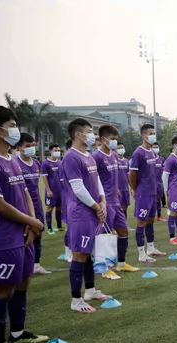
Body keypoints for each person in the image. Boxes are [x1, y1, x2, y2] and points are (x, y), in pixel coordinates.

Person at [0, 104, 48, 343]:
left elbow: (25, 194)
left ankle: (18, 333)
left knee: (22, 283)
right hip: (3, 238)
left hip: (24, 235)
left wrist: (32, 223)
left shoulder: (12, 159)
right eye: (11, 126)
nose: (16, 131)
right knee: (3, 290)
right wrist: (31, 221)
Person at [62, 118, 112, 313]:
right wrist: (96, 207)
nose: (93, 135)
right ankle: (76, 300)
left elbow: (96, 179)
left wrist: (103, 201)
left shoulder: (88, 156)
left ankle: (90, 290)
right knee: (79, 255)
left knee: (90, 252)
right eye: (90, 131)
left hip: (93, 210)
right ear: (78, 134)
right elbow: (78, 188)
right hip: (80, 213)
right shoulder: (71, 157)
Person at [93, 125, 138, 277]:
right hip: (105, 202)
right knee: (105, 236)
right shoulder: (96, 157)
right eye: (112, 139)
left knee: (123, 231)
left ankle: (121, 263)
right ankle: (105, 270)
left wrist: (117, 188)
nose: (114, 142)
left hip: (115, 201)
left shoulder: (113, 155)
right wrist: (99, 200)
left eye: (116, 139)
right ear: (103, 139)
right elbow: (93, 180)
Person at [129, 124, 166, 263]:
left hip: (152, 192)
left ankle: (151, 248)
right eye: (151, 133)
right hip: (143, 193)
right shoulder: (138, 152)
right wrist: (135, 189)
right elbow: (132, 174)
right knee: (141, 223)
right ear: (144, 135)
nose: (153, 135)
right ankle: (141, 254)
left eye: (154, 133)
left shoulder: (152, 152)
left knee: (150, 221)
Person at [16, 133, 50, 275]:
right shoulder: (15, 163)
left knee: (38, 233)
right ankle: (23, 265)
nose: (31, 149)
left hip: (37, 205)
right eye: (28, 146)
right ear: (20, 148)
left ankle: (36, 264)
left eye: (33, 145)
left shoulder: (36, 163)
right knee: (24, 236)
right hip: (22, 206)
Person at [41, 143, 63, 234]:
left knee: (59, 208)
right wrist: (48, 190)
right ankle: (49, 228)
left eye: (58, 150)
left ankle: (59, 226)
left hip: (60, 191)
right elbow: (44, 177)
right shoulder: (45, 163)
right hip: (51, 191)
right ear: (50, 151)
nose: (57, 152)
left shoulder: (60, 162)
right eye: (55, 150)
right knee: (49, 208)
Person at [61, 138, 73, 263]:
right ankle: (67, 252)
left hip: (76, 200)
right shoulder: (66, 160)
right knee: (70, 227)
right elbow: (64, 183)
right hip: (69, 200)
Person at [116, 142, 130, 219]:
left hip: (125, 188)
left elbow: (128, 175)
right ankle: (117, 226)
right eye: (119, 148)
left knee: (125, 207)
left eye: (122, 148)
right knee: (118, 208)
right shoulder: (114, 160)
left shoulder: (126, 161)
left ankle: (125, 225)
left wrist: (132, 188)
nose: (121, 149)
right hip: (118, 189)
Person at [153, 142, 166, 222]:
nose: (155, 149)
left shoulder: (161, 159)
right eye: (154, 147)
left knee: (158, 200)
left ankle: (159, 216)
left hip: (159, 183)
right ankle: (150, 216)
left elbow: (164, 170)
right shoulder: (148, 158)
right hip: (150, 184)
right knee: (150, 200)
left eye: (157, 147)